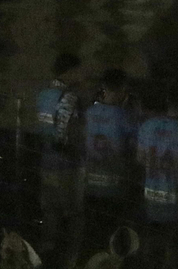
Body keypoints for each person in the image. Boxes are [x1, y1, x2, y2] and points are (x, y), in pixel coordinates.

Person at [135, 83, 178, 258]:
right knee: (172, 249)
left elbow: (140, 159)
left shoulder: (147, 126)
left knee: (150, 247)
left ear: (167, 101)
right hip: (175, 203)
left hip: (149, 198)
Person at [36, 51, 85, 256]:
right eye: (79, 70)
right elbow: (70, 134)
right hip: (67, 166)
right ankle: (71, 257)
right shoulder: (70, 98)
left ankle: (47, 253)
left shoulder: (43, 95)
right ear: (71, 71)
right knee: (74, 214)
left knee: (50, 213)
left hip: (47, 162)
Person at [83, 68, 138, 212]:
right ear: (124, 88)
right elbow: (135, 145)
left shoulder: (89, 113)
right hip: (115, 186)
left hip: (90, 183)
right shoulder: (124, 117)